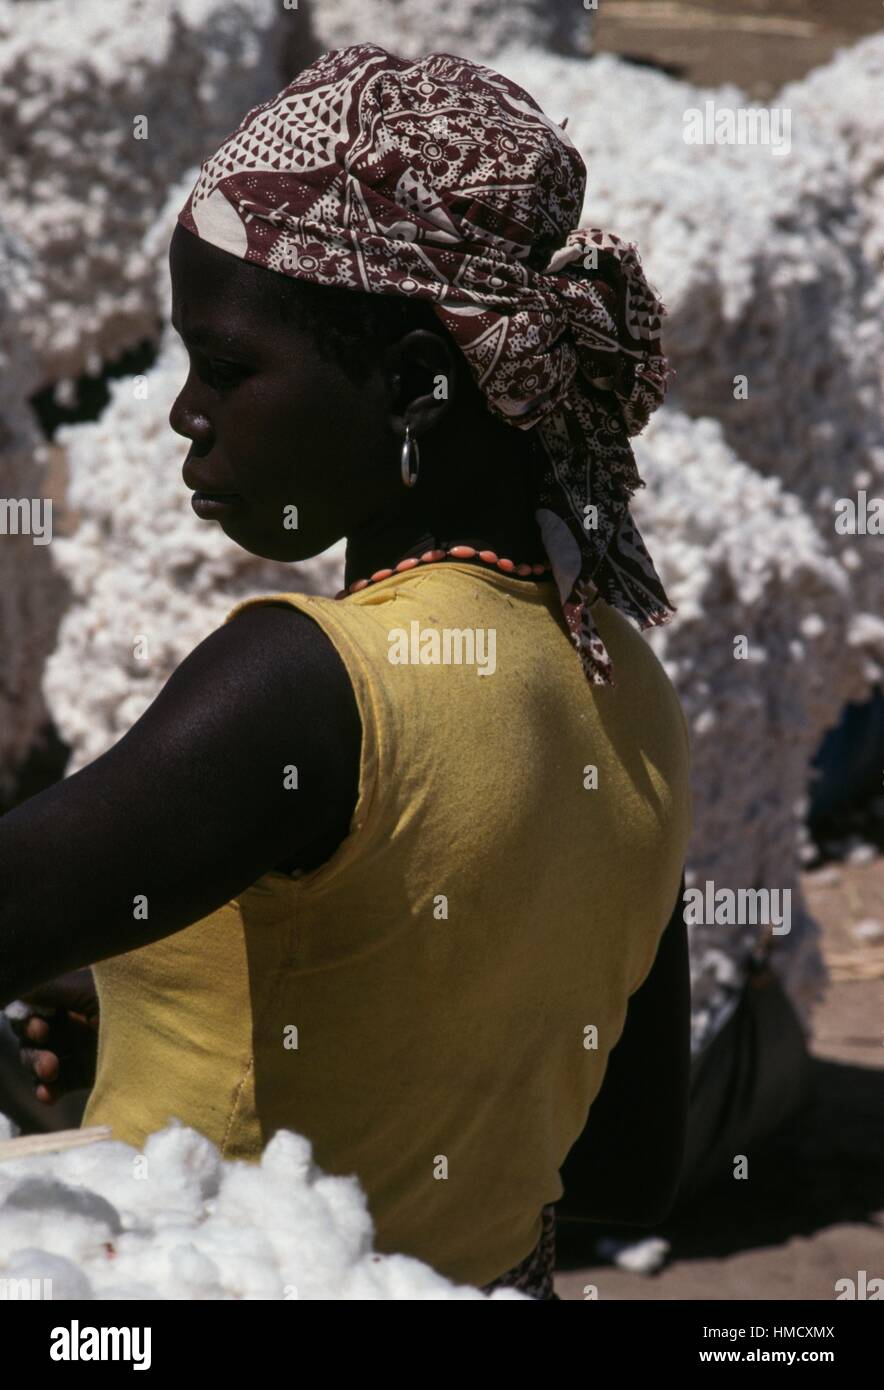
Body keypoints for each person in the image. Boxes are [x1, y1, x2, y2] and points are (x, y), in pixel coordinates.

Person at [1, 44, 692, 1298]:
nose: (185, 413)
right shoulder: (632, 693)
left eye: (227, 364)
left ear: (415, 389)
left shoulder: (311, 683)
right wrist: (154, 1001)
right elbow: (623, 1167)